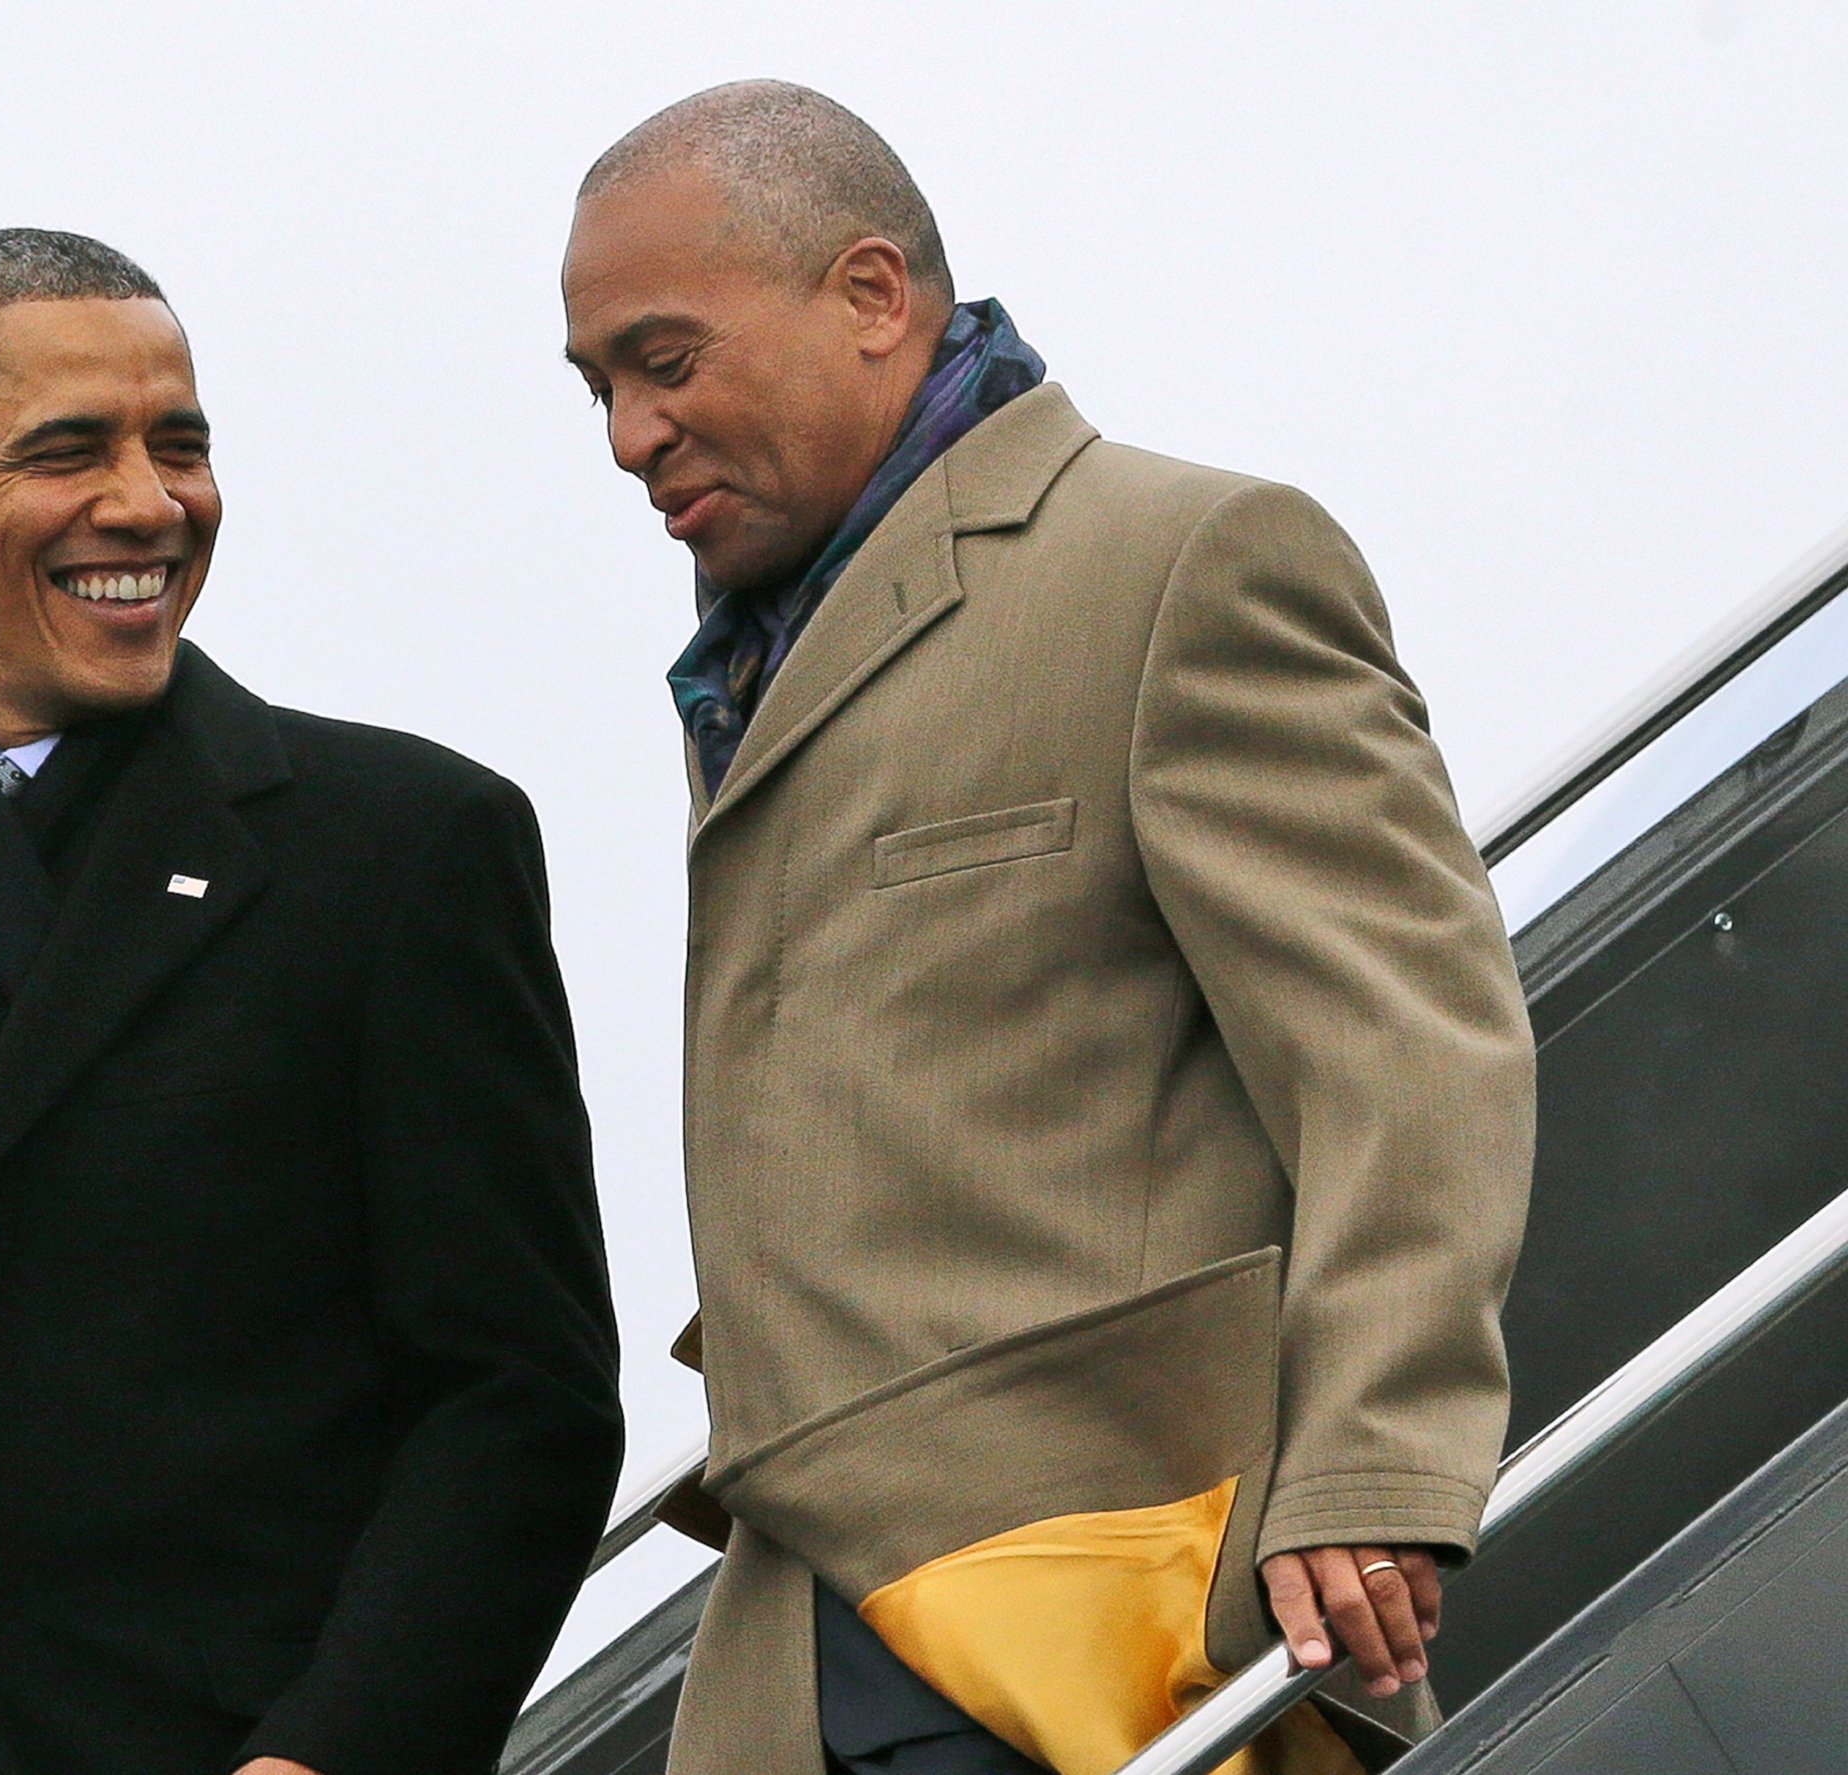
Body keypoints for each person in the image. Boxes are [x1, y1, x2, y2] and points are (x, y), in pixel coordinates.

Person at [560, 83, 1535, 1775]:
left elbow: (1407, 1050)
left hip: (1114, 1621)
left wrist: (1377, 1466)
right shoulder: (752, 651)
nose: (631, 436)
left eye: (666, 361)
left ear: (872, 298)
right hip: (817, 1643)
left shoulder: (1180, 561)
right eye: (601, 390)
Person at [0, 228, 626, 1775]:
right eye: (69, 451)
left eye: (180, 446)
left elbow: (517, 1396)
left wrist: (330, 1753)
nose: (149, 504)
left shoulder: (398, 851)